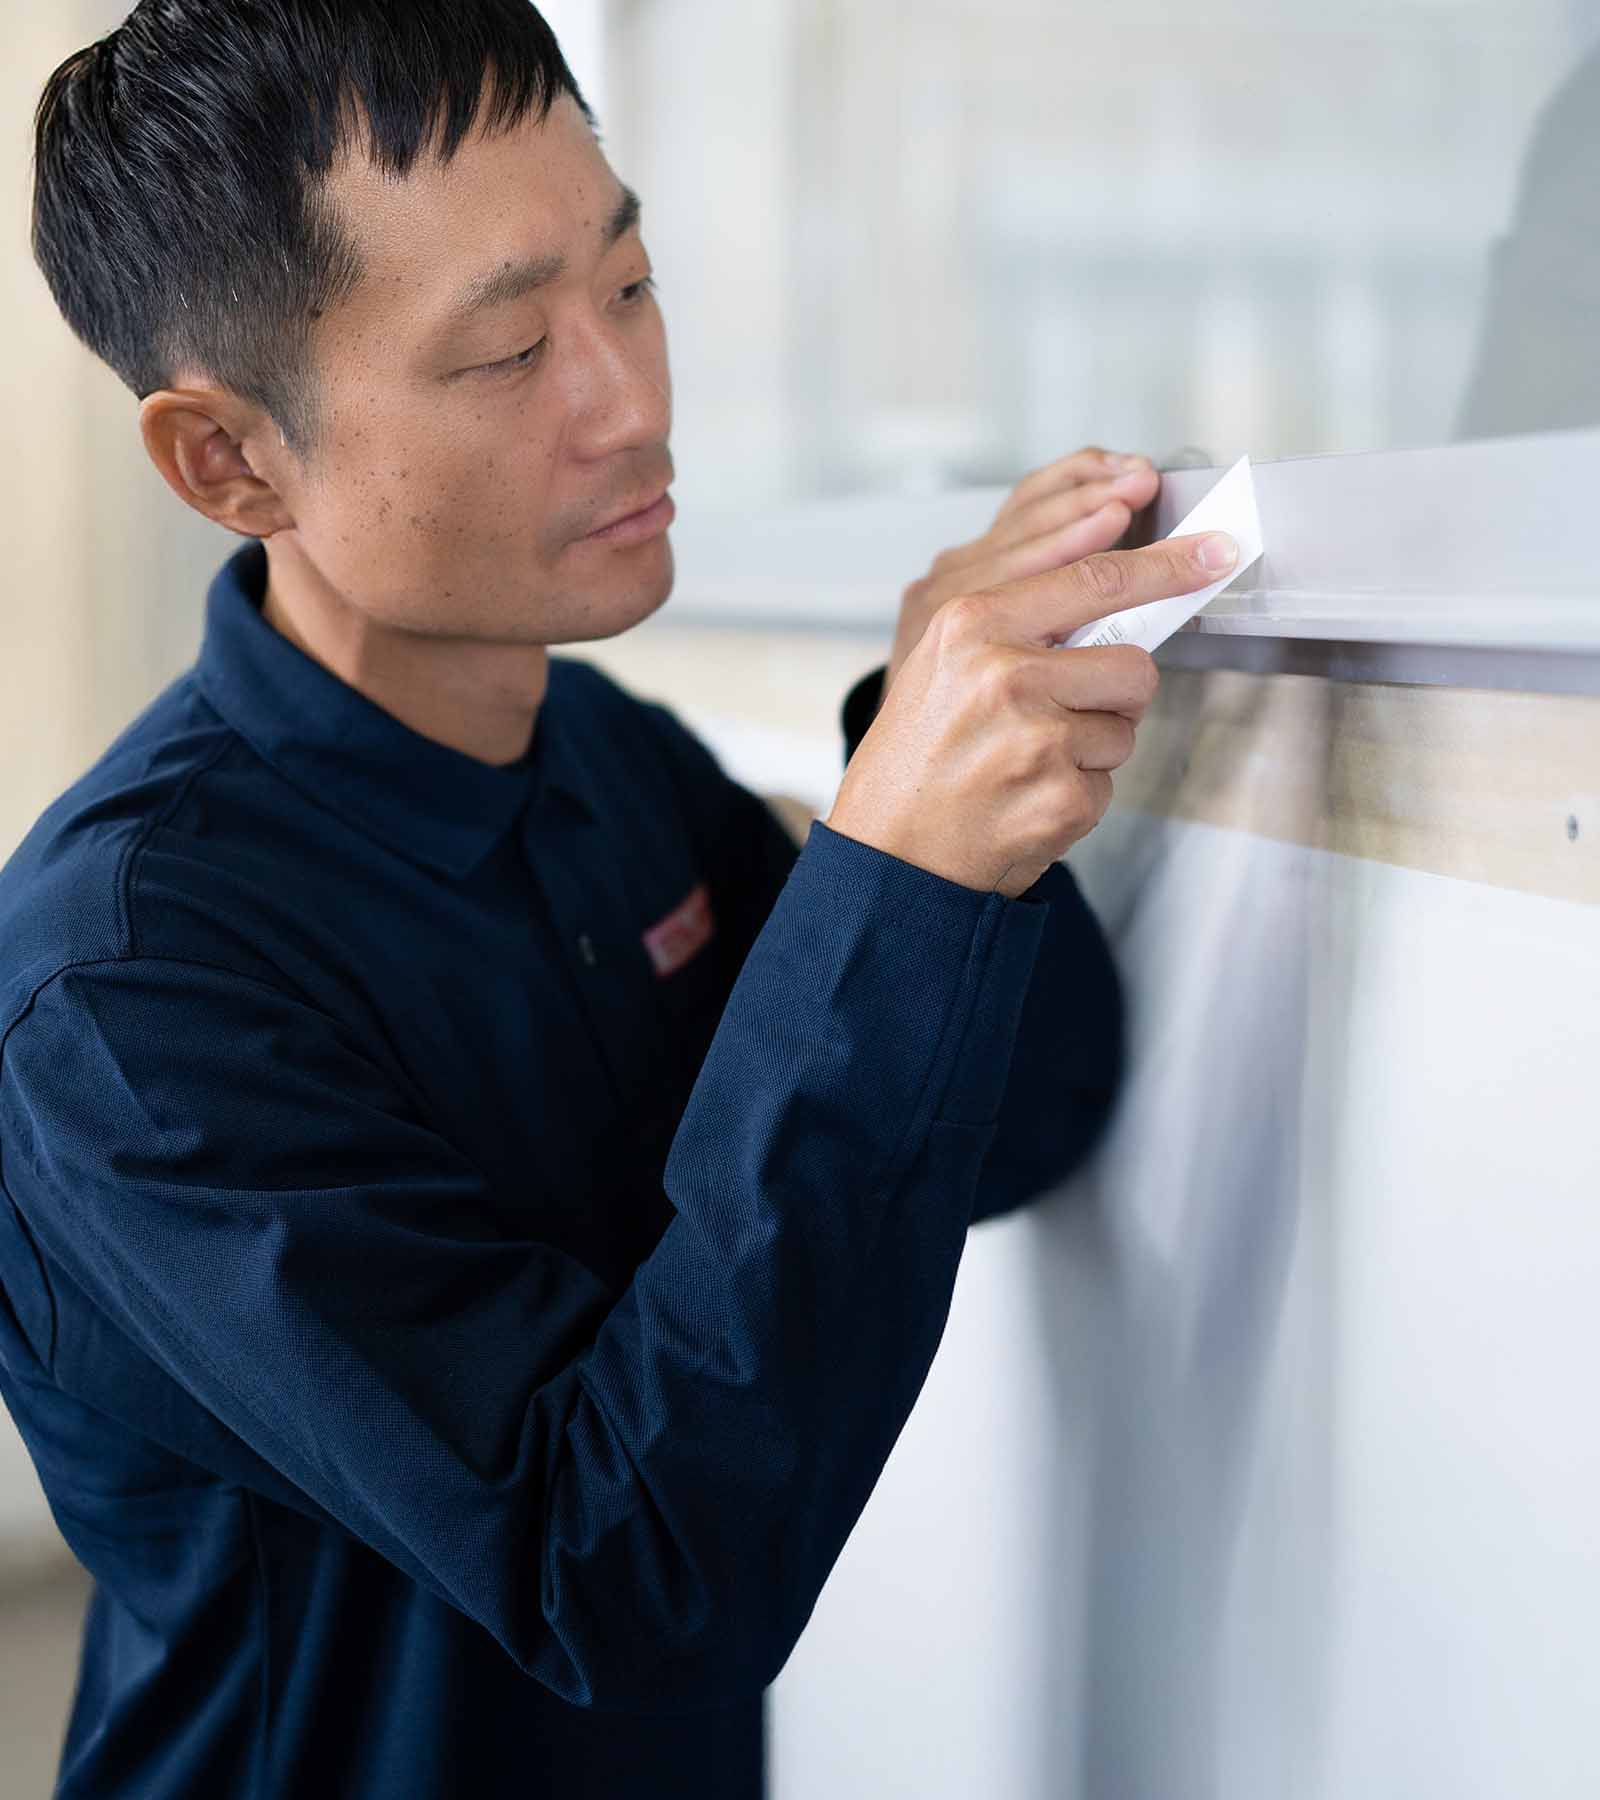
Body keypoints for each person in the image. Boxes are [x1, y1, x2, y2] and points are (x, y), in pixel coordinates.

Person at [1, 3, 1237, 1794]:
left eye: (632, 283)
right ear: (230, 461)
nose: (631, 404)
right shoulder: (121, 991)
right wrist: (888, 873)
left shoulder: (605, 762)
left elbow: (1027, 1117)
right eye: (509, 350)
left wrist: (918, 752)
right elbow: (628, 1572)